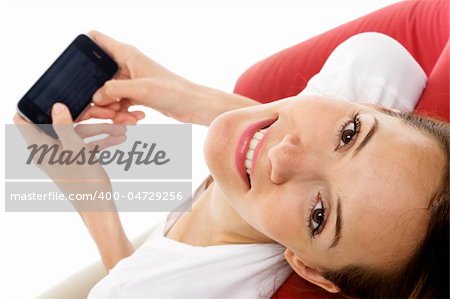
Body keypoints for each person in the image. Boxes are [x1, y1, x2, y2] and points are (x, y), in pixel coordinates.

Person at [14, 2, 449, 299]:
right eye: (350, 134)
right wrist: (189, 98)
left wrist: (92, 200)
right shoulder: (369, 79)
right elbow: (377, 55)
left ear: (310, 269)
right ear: (374, 108)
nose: (283, 156)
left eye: (319, 215)